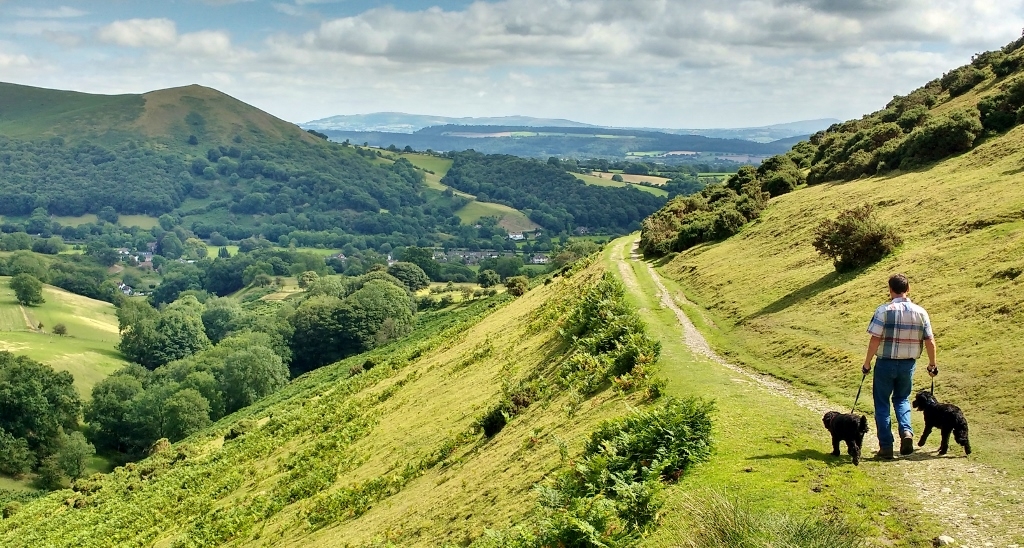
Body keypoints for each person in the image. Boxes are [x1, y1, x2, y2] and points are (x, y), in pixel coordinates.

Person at [862, 273, 937, 459]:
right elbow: (930, 341)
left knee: (881, 404)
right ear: (908, 289)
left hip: (885, 363)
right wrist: (932, 364)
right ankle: (906, 433)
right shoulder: (921, 312)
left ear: (890, 290)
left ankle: (886, 446)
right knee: (902, 399)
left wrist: (867, 363)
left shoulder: (883, 310)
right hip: (908, 364)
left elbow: (874, 339)